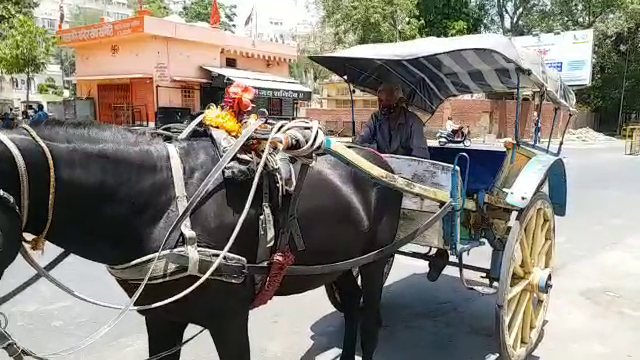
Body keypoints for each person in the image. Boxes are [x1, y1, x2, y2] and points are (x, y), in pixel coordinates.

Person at [355, 83, 430, 158]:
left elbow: (421, 155)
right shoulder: (375, 118)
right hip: (378, 166)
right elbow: (360, 144)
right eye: (380, 101)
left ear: (400, 102)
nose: (383, 105)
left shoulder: (414, 122)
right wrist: (375, 149)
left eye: (388, 100)